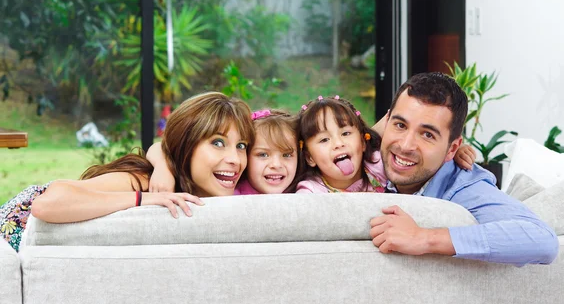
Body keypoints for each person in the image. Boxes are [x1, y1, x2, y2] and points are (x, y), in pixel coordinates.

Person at [0, 92, 253, 252]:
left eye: (241, 146)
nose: (234, 159)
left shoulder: (210, 184)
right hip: (12, 227)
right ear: (185, 145)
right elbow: (45, 205)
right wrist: (143, 198)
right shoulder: (143, 180)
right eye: (218, 142)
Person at [369, 72, 559, 266]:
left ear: (452, 148)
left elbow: (543, 240)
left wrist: (423, 238)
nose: (405, 145)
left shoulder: (466, 188)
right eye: (400, 125)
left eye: (427, 135)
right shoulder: (371, 161)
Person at [149, 109, 301, 195]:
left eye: (287, 155)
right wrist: (163, 166)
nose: (276, 164)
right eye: (263, 154)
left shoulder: (305, 190)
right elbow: (161, 147)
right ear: (247, 158)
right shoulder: (230, 190)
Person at [295, 95, 387, 193]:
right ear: (309, 157)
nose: (338, 144)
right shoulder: (310, 192)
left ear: (363, 141)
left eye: (345, 133)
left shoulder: (378, 165)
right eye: (324, 140)